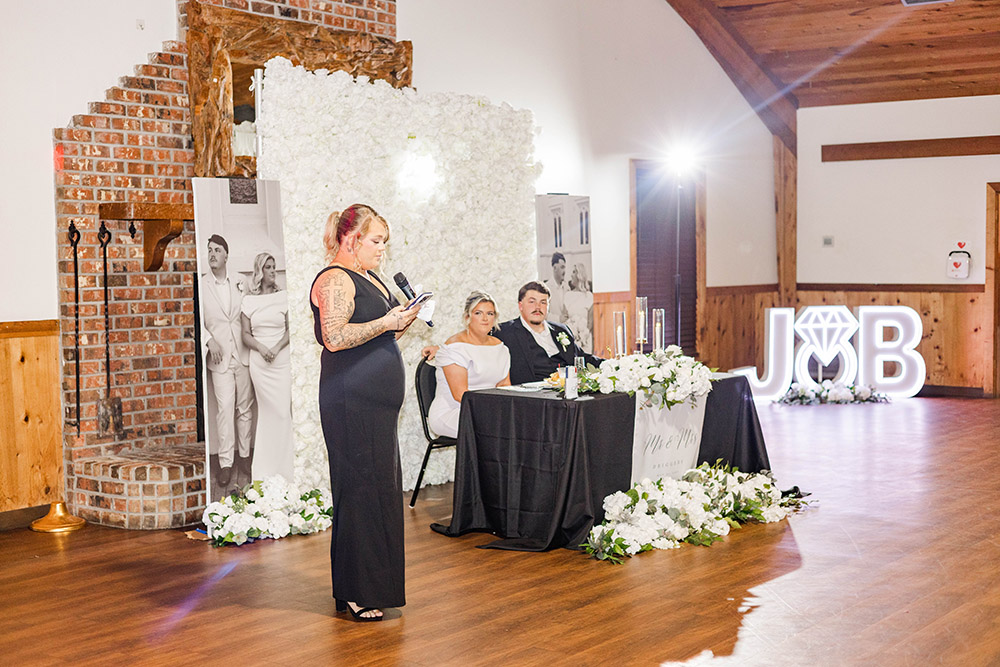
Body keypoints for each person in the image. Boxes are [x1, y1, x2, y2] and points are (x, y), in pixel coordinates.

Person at [309, 203, 422, 622]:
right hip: (349, 399)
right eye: (376, 241)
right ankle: (356, 592)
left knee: (378, 493)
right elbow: (335, 337)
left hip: (376, 405)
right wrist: (387, 321)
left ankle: (368, 586)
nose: (381, 251)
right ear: (351, 239)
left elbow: (380, 329)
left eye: (384, 243)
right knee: (358, 492)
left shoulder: (369, 277)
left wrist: (402, 319)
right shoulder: (334, 278)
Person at [201, 234, 254, 495]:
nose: (212, 254)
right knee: (224, 409)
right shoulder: (202, 286)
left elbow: (252, 311)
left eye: (217, 250)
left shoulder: (241, 282)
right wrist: (209, 340)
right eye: (209, 250)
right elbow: (197, 320)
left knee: (245, 408)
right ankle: (225, 463)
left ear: (226, 255)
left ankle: (245, 459)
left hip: (242, 354)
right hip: (219, 358)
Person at [427, 291, 511, 438]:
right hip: (453, 411)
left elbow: (504, 386)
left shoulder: (501, 348)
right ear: (467, 317)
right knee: (496, 426)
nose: (485, 318)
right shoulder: (454, 347)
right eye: (478, 313)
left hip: (488, 410)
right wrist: (495, 412)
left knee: (519, 422)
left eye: (490, 314)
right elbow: (461, 395)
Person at [241, 252, 294, 483]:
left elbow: (291, 330)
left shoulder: (284, 296)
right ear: (259, 271)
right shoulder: (248, 300)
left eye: (274, 267)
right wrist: (262, 348)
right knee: (267, 414)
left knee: (283, 412)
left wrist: (277, 347)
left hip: (281, 361)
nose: (273, 271)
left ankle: (287, 470)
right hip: (260, 364)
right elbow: (245, 334)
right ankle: (264, 471)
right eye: (268, 267)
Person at [494, 281, 602, 385]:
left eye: (543, 302)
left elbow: (582, 358)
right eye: (532, 302)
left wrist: (612, 365)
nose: (538, 307)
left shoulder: (562, 330)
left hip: (566, 396)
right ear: (520, 305)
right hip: (531, 399)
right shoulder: (504, 332)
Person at [563, 263, 594, 354]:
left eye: (574, 272)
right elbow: (564, 318)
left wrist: (583, 336)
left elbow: (590, 322)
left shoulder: (589, 296)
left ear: (579, 275)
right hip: (570, 338)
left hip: (585, 339)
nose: (571, 275)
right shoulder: (567, 295)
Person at [544, 252, 569, 324]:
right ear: (554, 268)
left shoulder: (567, 288)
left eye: (565, 267)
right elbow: (544, 314)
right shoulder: (546, 288)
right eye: (562, 267)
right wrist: (558, 319)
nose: (564, 271)